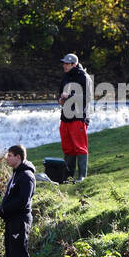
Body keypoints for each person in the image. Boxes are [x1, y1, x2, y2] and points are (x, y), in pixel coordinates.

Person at [0, 144, 36, 257]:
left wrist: (5, 209)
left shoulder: (26, 176)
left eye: (9, 155)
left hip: (20, 220)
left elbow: (23, 201)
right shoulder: (16, 174)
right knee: (11, 252)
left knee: (19, 254)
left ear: (18, 157)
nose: (6, 158)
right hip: (12, 220)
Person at [56, 53, 92, 182]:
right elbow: (60, 93)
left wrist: (69, 98)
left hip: (79, 116)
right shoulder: (66, 76)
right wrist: (60, 99)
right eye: (64, 63)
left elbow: (87, 98)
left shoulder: (84, 77)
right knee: (67, 146)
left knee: (79, 146)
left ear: (74, 64)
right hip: (65, 116)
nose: (64, 65)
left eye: (67, 63)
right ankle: (68, 176)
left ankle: (82, 176)